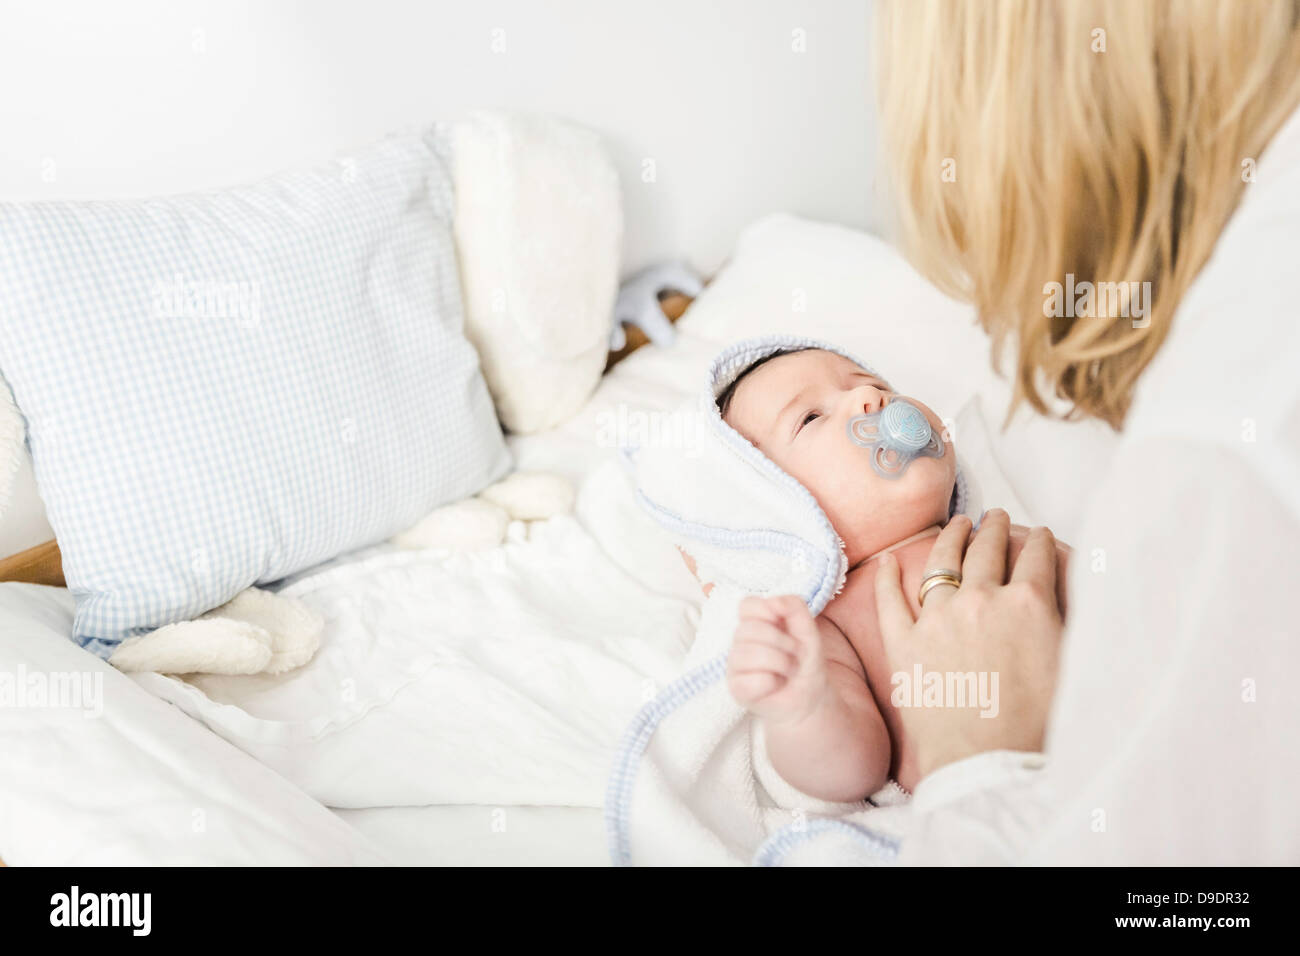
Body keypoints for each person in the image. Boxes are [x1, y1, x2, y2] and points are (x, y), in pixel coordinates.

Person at [861, 0, 1300, 863]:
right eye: (806, 417)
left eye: (861, 385)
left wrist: (976, 764)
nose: (867, 406)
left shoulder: (1219, 457)